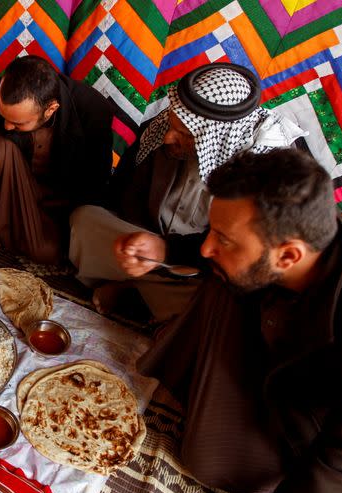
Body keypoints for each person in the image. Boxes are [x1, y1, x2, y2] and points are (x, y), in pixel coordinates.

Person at [115, 149, 342, 493]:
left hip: (305, 434)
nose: (208, 246)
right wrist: (166, 249)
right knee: (225, 275)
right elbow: (220, 246)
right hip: (275, 365)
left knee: (206, 461)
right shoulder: (315, 232)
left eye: (223, 238)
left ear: (290, 255)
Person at [69, 62, 306, 322]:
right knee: (85, 220)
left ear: (214, 136)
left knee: (228, 304)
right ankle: (145, 293)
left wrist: (167, 251)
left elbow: (247, 260)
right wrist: (138, 249)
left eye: (184, 134)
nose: (168, 137)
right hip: (150, 248)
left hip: (205, 265)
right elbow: (122, 194)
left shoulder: (270, 165)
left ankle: (139, 293)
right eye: (172, 124)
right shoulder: (161, 130)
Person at [0, 54, 113, 273]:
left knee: (48, 252)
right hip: (12, 187)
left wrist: (69, 230)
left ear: (51, 109)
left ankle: (4, 228)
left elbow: (95, 183)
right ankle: (0, 225)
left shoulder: (92, 109)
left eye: (17, 123)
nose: (7, 126)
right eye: (3, 117)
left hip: (62, 200)